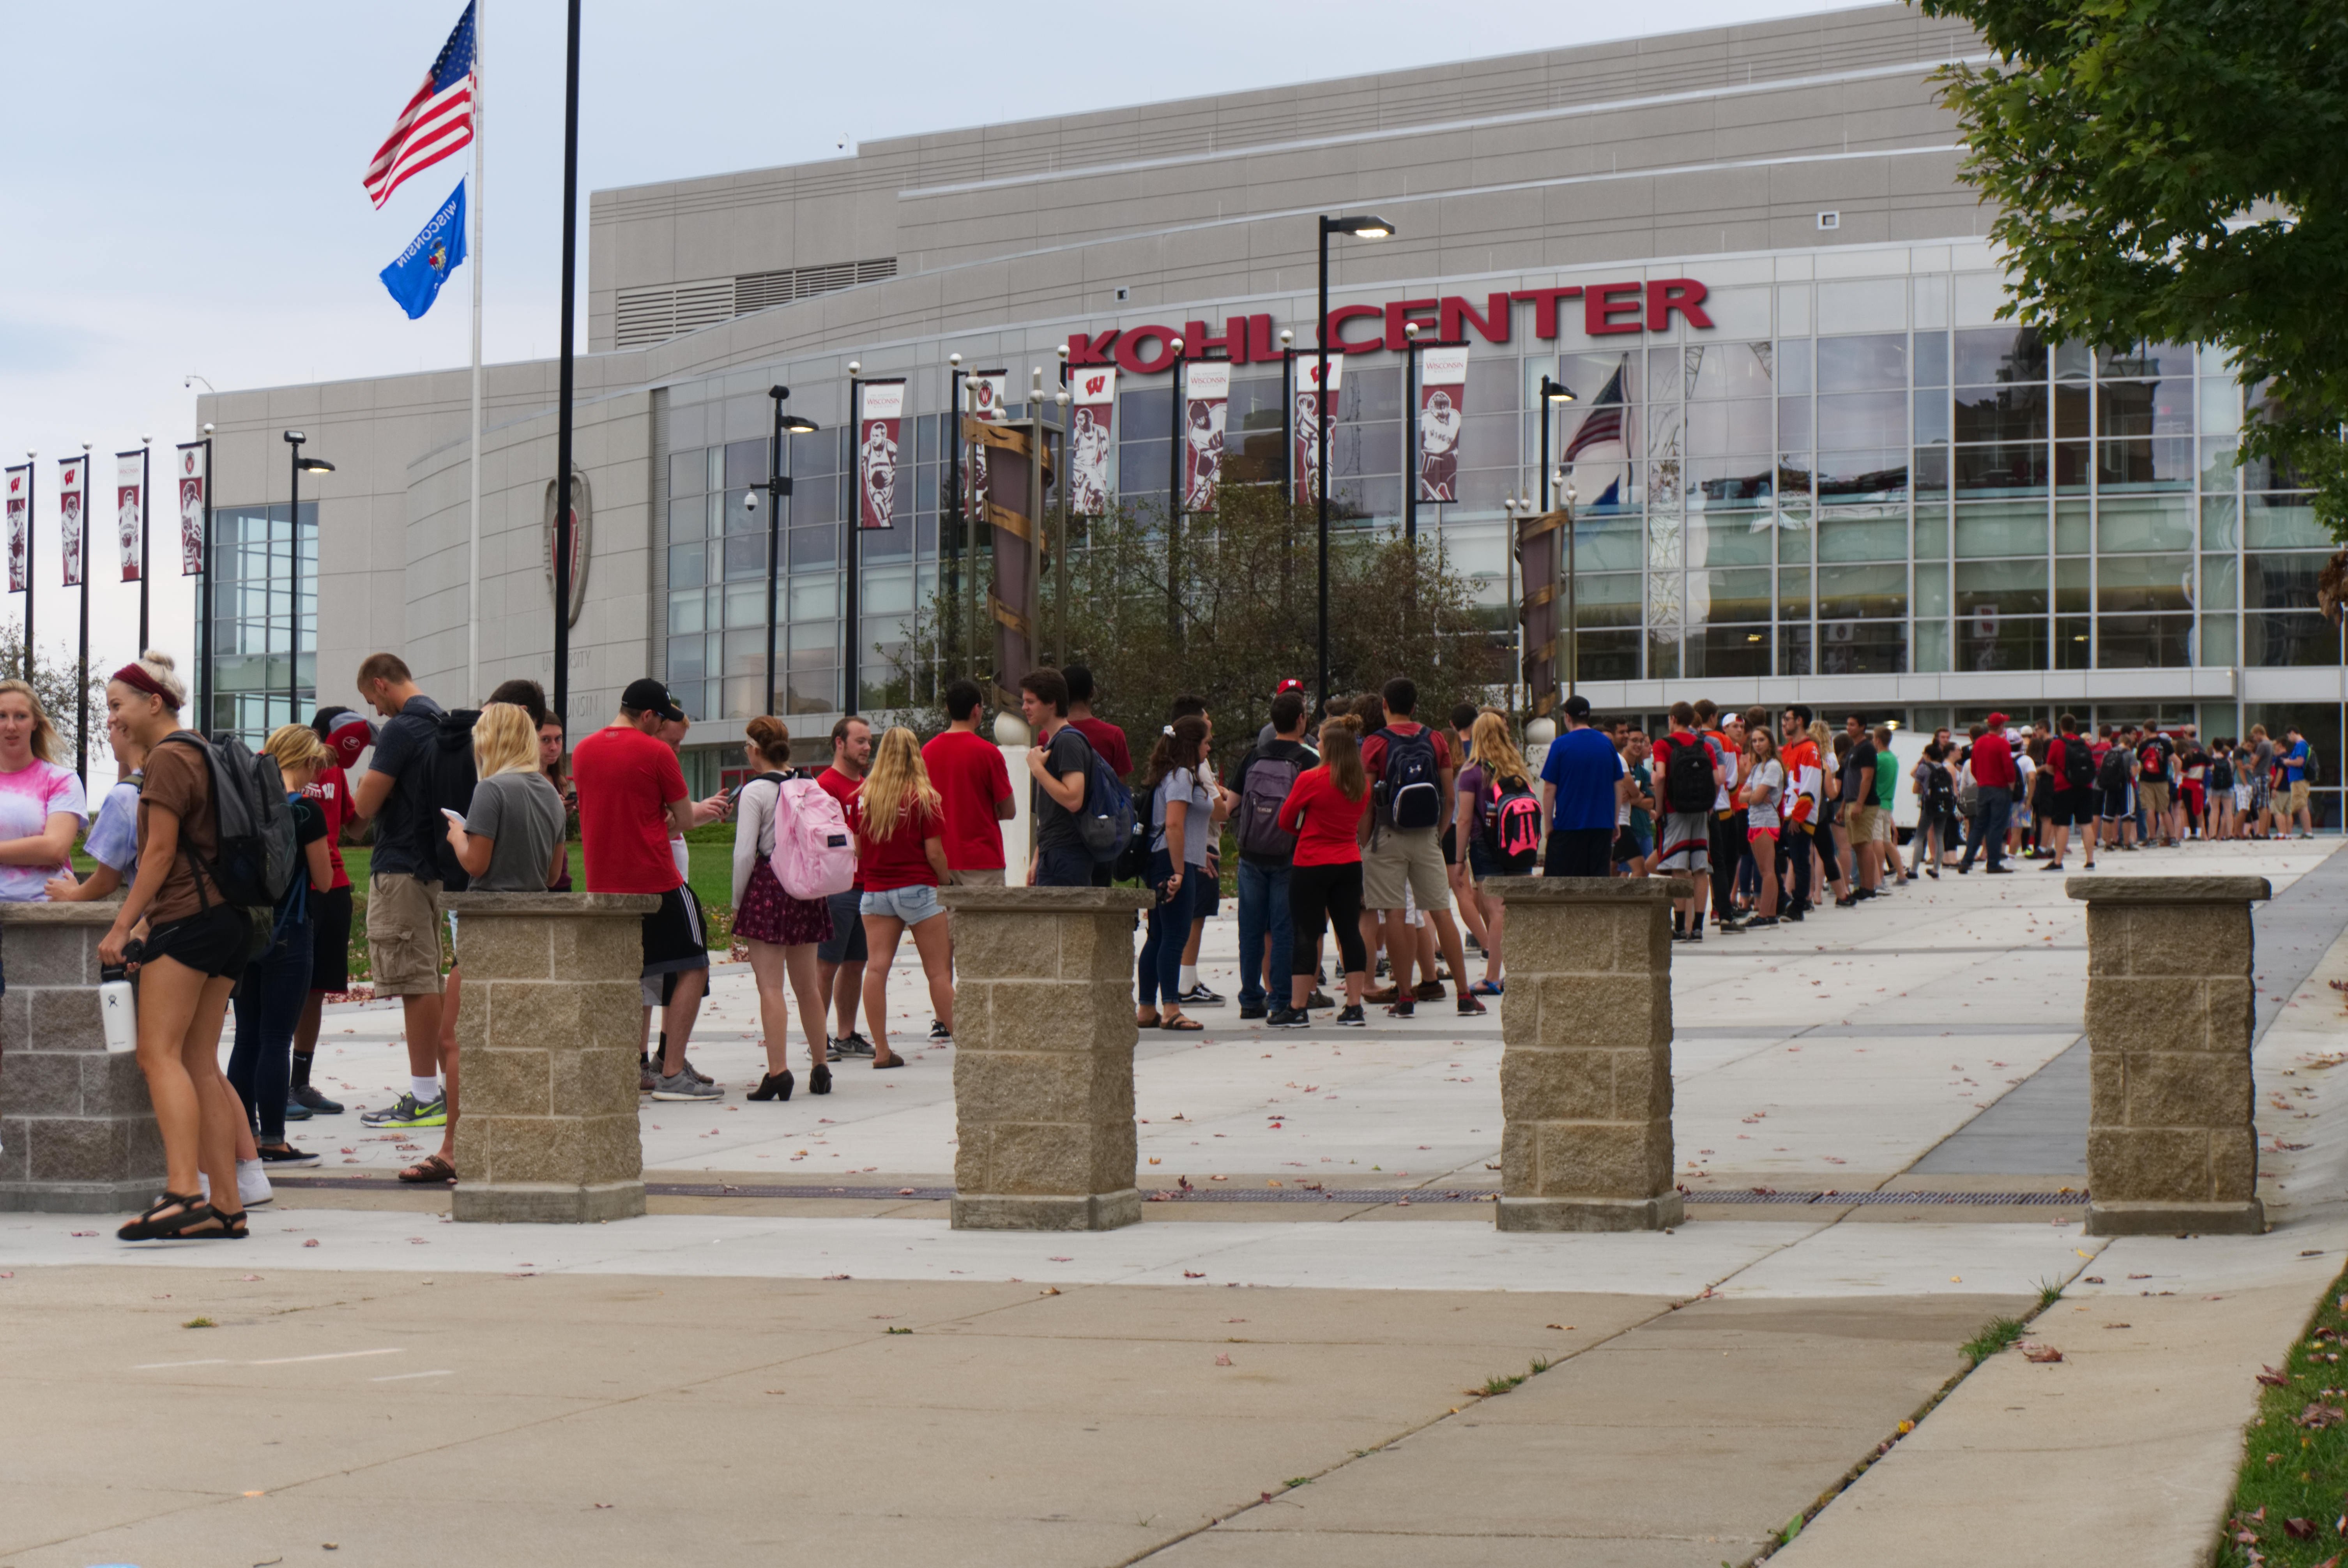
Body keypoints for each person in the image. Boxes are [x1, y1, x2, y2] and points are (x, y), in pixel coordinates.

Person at [106, 652, 253, 1241]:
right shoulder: (205, 751)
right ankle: (226, 1205)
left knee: (157, 1055)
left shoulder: (167, 760)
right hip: (229, 921)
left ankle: (183, 1192)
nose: (114, 717)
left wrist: (123, 926)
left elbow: (160, 855)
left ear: (153, 703)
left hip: (188, 919)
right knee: (198, 1062)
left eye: (118, 705)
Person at [573, 678, 730, 1102]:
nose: (662, 729)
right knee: (694, 964)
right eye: (660, 719)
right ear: (648, 716)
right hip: (656, 880)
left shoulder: (583, 751)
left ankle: (628, 1065)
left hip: (604, 884)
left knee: (627, 976)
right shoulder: (657, 752)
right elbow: (684, 819)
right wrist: (668, 815)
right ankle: (673, 1070)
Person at [346, 654, 455, 1132]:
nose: (376, 713)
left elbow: (362, 810)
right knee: (428, 975)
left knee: (415, 983)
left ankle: (426, 1095)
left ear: (380, 684)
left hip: (400, 867)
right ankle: (439, 1087)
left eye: (373, 701)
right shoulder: (442, 721)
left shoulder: (401, 729)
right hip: (433, 868)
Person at [226, 725, 336, 1173]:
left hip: (246, 933)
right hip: (290, 931)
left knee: (247, 1037)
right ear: (306, 761)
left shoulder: (245, 808)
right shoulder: (307, 812)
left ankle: (242, 1135)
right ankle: (274, 1139)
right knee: (277, 1039)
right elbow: (325, 880)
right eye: (315, 764)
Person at [1359, 678, 1480, 1018]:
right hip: (1428, 835)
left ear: (1385, 704)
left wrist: (1366, 841)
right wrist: (1437, 834)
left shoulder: (1374, 744)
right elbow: (1450, 797)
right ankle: (1465, 994)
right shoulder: (1436, 738)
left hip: (1387, 835)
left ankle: (1406, 997)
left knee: (1396, 914)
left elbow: (1367, 801)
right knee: (1441, 912)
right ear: (1415, 706)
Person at [730, 715, 836, 1100]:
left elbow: (745, 853)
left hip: (770, 887)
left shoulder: (754, 791)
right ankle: (821, 1065)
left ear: (755, 750)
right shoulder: (809, 783)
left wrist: (738, 903)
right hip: (806, 888)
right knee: (807, 985)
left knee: (770, 986)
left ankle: (778, 1072)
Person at [284, 709, 373, 1121]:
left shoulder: (336, 772)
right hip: (291, 889)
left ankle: (299, 1081)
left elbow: (354, 827)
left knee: (316, 989)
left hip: (333, 888)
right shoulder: (281, 762)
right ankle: (272, 1080)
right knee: (286, 984)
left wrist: (379, 794)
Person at [853, 727, 951, 1070]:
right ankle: (967, 1046)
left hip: (876, 891)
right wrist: (947, 882)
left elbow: (860, 849)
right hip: (918, 888)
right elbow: (935, 853)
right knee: (938, 972)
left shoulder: (864, 797)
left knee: (876, 969)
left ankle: (881, 1049)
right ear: (915, 754)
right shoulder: (924, 797)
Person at [1271, 715, 1373, 1028]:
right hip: (1348, 861)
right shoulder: (1361, 784)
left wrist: (1305, 827)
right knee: (1349, 932)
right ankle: (1355, 1005)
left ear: (1328, 747)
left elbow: (1286, 820)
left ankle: (1298, 1006)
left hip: (1312, 862)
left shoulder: (1311, 779)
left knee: (1306, 932)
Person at [1225, 689, 1316, 1019]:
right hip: (1289, 855)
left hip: (1251, 854)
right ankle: (1280, 1000)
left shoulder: (1254, 756)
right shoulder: (1309, 759)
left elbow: (1231, 806)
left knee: (1250, 929)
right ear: (1301, 720)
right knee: (1283, 930)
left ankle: (1251, 999)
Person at [1137, 715, 1218, 1030]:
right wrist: (1180, 871)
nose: (1209, 747)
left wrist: (1200, 855)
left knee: (1158, 937)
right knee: (1175, 937)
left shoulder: (1169, 774)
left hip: (1169, 860)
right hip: (1172, 863)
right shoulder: (1183, 776)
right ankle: (1171, 1008)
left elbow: (1185, 826)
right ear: (1192, 745)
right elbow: (1173, 824)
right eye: (1206, 742)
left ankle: (1146, 1008)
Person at [1457, 710, 1535, 992]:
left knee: (1496, 910)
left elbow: (1464, 819)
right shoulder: (1516, 768)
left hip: (1485, 845)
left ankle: (1493, 977)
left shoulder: (1472, 772)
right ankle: (1524, 970)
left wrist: (1458, 859)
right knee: (1520, 909)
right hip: (1518, 844)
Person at [815, 716, 875, 1056]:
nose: (868, 747)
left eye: (869, 741)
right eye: (860, 741)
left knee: (855, 964)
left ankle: (846, 1034)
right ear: (840, 743)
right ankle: (817, 1037)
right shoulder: (826, 786)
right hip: (838, 889)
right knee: (826, 966)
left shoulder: (868, 786)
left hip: (868, 886)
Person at [0, 677, 88, 903]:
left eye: (21, 716)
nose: (11, 726)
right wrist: (33, 851)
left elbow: (55, 849)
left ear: (35, 722)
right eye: (2, 716)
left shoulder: (61, 779)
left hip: (44, 915)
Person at [923, 678, 1015, 888]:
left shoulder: (927, 752)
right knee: (986, 921)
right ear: (977, 709)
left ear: (948, 708)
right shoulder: (989, 753)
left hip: (939, 858)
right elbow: (1009, 810)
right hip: (982, 860)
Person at [47, 707, 142, 905]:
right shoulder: (164, 777)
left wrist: (72, 894)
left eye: (116, 709)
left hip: (158, 925)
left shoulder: (123, 797)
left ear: (128, 730)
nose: (109, 723)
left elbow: (107, 881)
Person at [1649, 703, 1723, 939]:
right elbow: (1717, 780)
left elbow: (1660, 776)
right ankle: (1699, 926)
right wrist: (1709, 808)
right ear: (1693, 720)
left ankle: (1680, 926)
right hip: (1701, 812)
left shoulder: (1663, 744)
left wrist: (1659, 809)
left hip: (1675, 811)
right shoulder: (1705, 745)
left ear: (1672, 719)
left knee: (1679, 869)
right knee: (1701, 868)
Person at [1019, 668, 1094, 888]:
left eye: (1031, 702)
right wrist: (1037, 859)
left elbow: (1073, 799)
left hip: (1068, 854)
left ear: (1052, 703)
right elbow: (1051, 814)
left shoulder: (1067, 742)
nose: (1025, 708)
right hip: (1055, 853)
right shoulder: (1055, 742)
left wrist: (1038, 770)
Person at [1540, 693, 1626, 878]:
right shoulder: (1606, 744)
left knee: (1562, 886)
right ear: (1588, 716)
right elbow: (1618, 784)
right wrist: (1615, 819)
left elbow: (1549, 788)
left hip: (1568, 826)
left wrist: (1548, 824)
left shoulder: (1560, 745)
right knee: (1597, 885)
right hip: (1602, 826)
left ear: (1568, 717)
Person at [1958, 712, 2017, 874]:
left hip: (1983, 788)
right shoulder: (2003, 744)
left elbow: (1974, 768)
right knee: (1997, 827)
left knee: (1979, 825)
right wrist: (2011, 787)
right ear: (2000, 727)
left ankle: (1966, 861)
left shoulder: (1979, 744)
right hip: (2000, 789)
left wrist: (1982, 781)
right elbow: (2009, 769)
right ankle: (1993, 863)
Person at [1778, 708, 1821, 918]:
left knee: (1800, 860)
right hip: (1785, 814)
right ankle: (1784, 899)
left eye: (1787, 719)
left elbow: (1810, 786)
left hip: (1799, 817)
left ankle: (1800, 903)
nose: (1784, 723)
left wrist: (1798, 816)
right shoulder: (1787, 749)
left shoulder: (1810, 749)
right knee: (1778, 859)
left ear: (1800, 721)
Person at [1740, 728, 1784, 925]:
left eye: (1762, 740)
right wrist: (1754, 796)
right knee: (1765, 869)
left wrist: (1753, 796)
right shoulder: (1758, 767)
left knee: (1767, 871)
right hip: (1755, 820)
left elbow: (1755, 797)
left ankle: (1765, 914)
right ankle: (1771, 913)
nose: (1757, 744)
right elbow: (1743, 796)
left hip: (1767, 822)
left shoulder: (1773, 767)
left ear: (1770, 742)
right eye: (1755, 741)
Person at [2042, 715, 2096, 872]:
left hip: (2064, 789)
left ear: (2061, 727)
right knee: (2086, 824)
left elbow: (2050, 768)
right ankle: (2091, 861)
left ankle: (2058, 861)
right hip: (2085, 787)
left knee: (2062, 825)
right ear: (2075, 727)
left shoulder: (2057, 744)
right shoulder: (2085, 744)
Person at [1840, 721, 1880, 894]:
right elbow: (1849, 780)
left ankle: (1869, 887)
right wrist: (1843, 806)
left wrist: (1859, 804)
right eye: (1848, 725)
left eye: (1853, 725)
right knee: (1856, 846)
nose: (1849, 728)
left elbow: (1867, 778)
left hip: (1864, 804)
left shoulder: (1867, 749)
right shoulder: (1853, 750)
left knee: (1864, 844)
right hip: (1850, 802)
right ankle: (1862, 885)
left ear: (1863, 727)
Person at [2136, 725, 2176, 847]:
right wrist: (2175, 778)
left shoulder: (2143, 745)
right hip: (2162, 780)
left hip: (2146, 780)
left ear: (2147, 730)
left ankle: (2152, 838)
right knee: (2165, 810)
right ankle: (2173, 838)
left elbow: (2140, 762)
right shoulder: (2166, 743)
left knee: (2150, 809)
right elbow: (2175, 761)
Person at [2284, 725, 2315, 838]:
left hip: (2299, 779)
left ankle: (2308, 832)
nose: (2289, 739)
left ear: (2293, 733)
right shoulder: (2302, 745)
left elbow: (2299, 762)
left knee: (2302, 806)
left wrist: (2288, 762)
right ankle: (2307, 831)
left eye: (2289, 736)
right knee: (2302, 805)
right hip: (2298, 780)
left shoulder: (2301, 745)